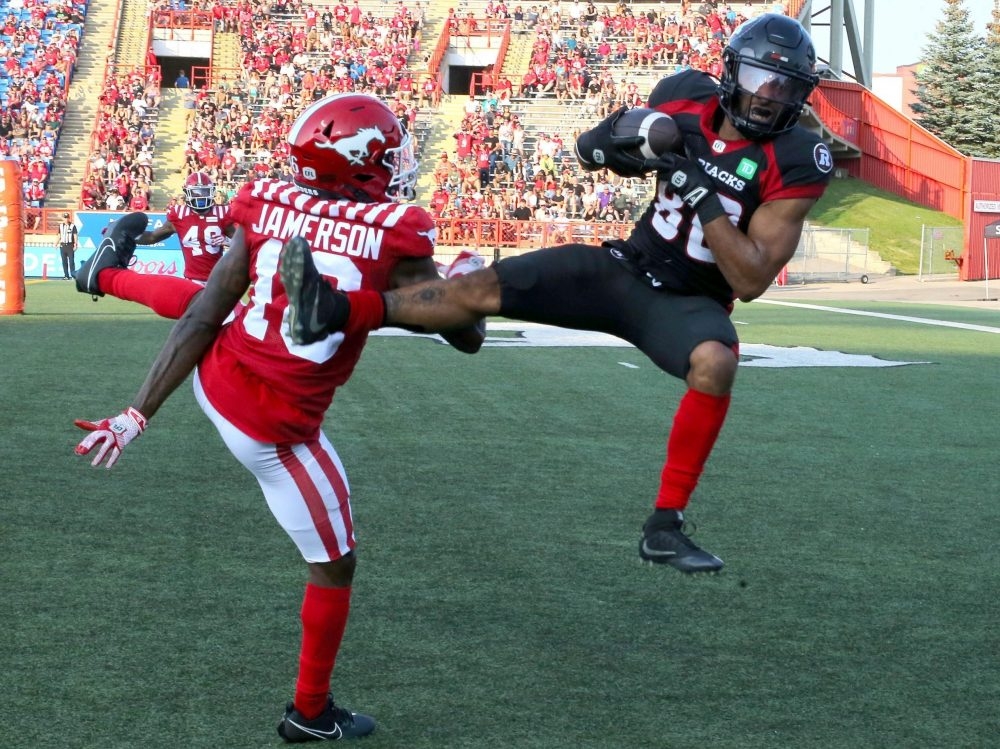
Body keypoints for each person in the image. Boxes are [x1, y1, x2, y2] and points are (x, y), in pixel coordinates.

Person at [278, 14, 833, 574]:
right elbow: (590, 150)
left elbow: (750, 279)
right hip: (624, 266)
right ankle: (334, 310)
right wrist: (618, 140)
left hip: (688, 301)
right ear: (732, 71)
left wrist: (698, 189)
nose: (769, 97)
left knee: (716, 362)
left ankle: (665, 526)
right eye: (761, 78)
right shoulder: (684, 97)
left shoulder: (797, 158)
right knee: (478, 288)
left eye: (784, 86)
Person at [73, 93, 484, 743]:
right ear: (359, 161)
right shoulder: (399, 229)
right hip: (275, 428)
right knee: (336, 561)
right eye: (387, 149)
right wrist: (470, 285)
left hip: (219, 375)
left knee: (220, 303)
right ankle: (310, 711)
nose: (398, 159)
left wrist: (136, 412)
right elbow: (466, 336)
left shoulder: (266, 198)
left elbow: (204, 312)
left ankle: (107, 274)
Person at [75, 173, 236, 319]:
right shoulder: (179, 214)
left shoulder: (222, 214)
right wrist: (126, 236)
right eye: (196, 192)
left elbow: (242, 241)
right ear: (188, 193)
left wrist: (228, 241)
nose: (201, 197)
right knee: (201, 325)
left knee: (228, 324)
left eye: (204, 192)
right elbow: (153, 236)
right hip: (192, 282)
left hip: (218, 280)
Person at [57, 212, 77, 280]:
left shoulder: (72, 226)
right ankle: (66, 275)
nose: (66, 219)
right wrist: (56, 243)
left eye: (67, 218)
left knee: (71, 261)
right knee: (64, 261)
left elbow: (75, 235)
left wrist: (75, 244)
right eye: (65, 218)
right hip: (63, 245)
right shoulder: (60, 226)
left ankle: (73, 275)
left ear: (69, 218)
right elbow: (59, 235)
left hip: (70, 245)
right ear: (63, 218)